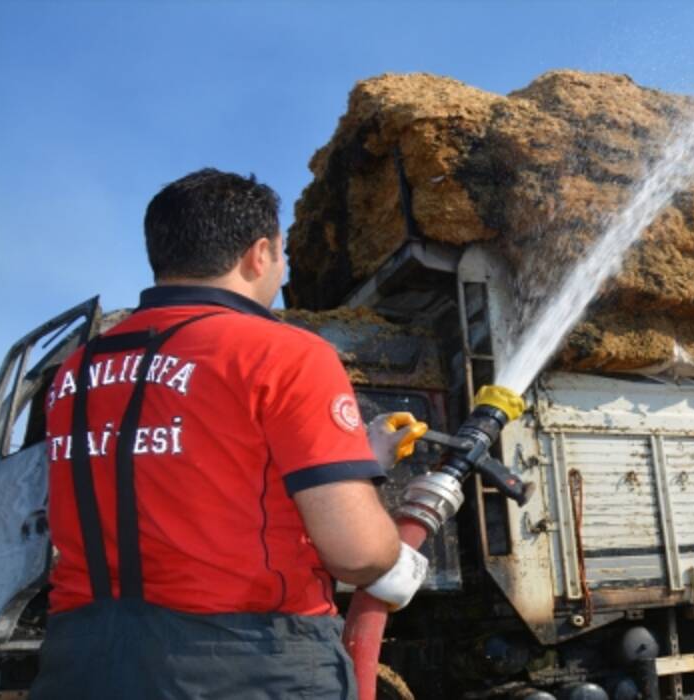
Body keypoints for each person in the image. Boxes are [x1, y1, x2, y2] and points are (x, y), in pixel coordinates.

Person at [31, 168, 427, 699]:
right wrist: (393, 555)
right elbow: (356, 553)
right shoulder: (284, 353)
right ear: (258, 253)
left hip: (82, 662)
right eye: (281, 255)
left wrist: (361, 457)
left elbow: (178, 465)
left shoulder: (76, 371)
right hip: (246, 663)